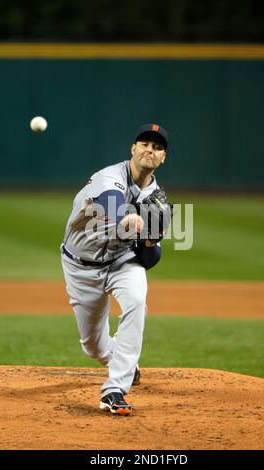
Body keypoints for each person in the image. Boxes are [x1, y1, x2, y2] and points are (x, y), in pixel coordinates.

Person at [61, 123, 171, 415]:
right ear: (133, 149)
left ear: (163, 158)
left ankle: (115, 389)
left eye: (158, 147)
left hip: (122, 261)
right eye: (145, 143)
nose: (151, 149)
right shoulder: (109, 175)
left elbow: (150, 258)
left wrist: (148, 242)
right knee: (93, 346)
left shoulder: (158, 201)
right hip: (81, 264)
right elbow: (111, 201)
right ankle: (119, 360)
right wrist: (127, 218)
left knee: (136, 302)